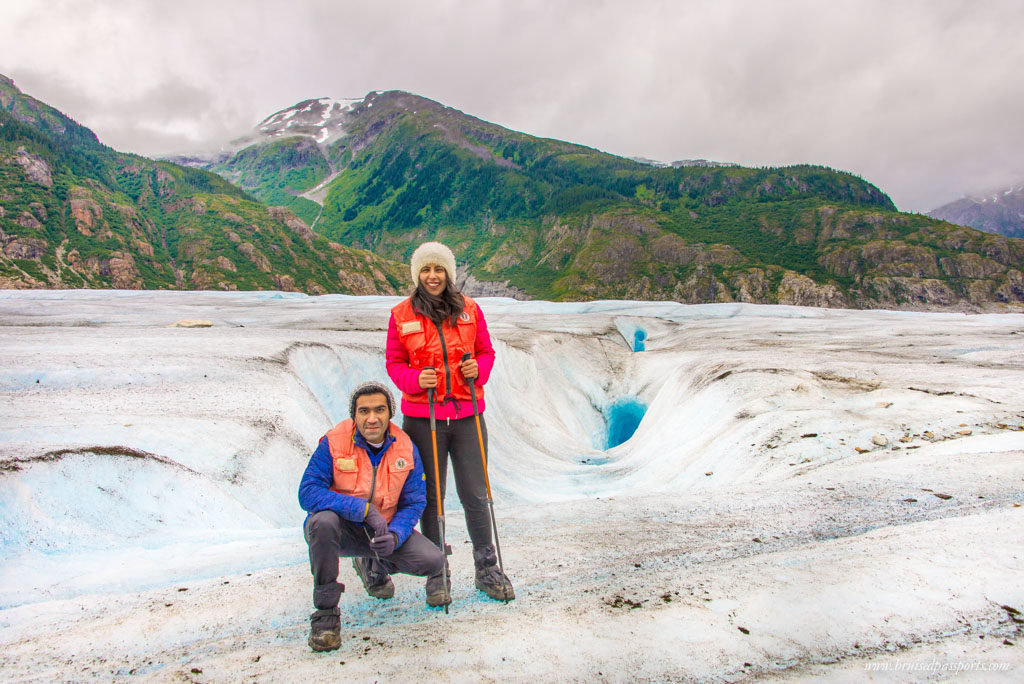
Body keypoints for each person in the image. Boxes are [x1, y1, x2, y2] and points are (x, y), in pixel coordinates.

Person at [385, 241, 514, 607]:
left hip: (467, 414)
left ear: (449, 273)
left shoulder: (471, 310)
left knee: (476, 493)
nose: (432, 276)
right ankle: (438, 573)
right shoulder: (401, 314)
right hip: (423, 417)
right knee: (431, 498)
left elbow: (486, 352)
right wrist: (414, 380)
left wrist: (480, 370)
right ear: (417, 274)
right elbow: (394, 363)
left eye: (438, 269)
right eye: (425, 269)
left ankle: (487, 568)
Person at [298, 381, 445, 652]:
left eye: (379, 409)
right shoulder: (334, 442)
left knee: (433, 560)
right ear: (354, 415)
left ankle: (372, 565)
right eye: (363, 411)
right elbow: (308, 492)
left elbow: (415, 501)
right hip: (342, 530)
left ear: (390, 413)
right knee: (322, 522)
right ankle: (326, 615)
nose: (372, 418)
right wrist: (363, 511)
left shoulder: (405, 448)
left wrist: (396, 534)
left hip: (383, 532)